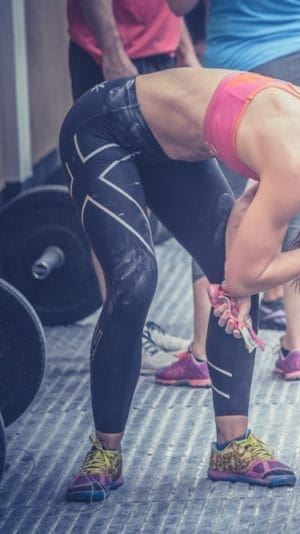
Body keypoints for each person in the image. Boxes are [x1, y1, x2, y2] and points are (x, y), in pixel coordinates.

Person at [59, 66, 300, 502]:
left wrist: (234, 284)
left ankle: (232, 445)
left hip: (172, 149)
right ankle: (104, 451)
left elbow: (246, 209)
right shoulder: (298, 156)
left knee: (236, 278)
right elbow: (249, 271)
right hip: (103, 128)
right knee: (135, 281)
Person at [154, 0, 300, 387]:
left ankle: (202, 353)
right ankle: (295, 350)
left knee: (214, 202)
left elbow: (178, 7)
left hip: (232, 68)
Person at [66, 0, 201, 373]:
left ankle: (137, 326)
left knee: (149, 195)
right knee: (113, 200)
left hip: (159, 53)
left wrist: (185, 49)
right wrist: (112, 52)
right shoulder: (109, 52)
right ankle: (122, 335)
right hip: (109, 56)